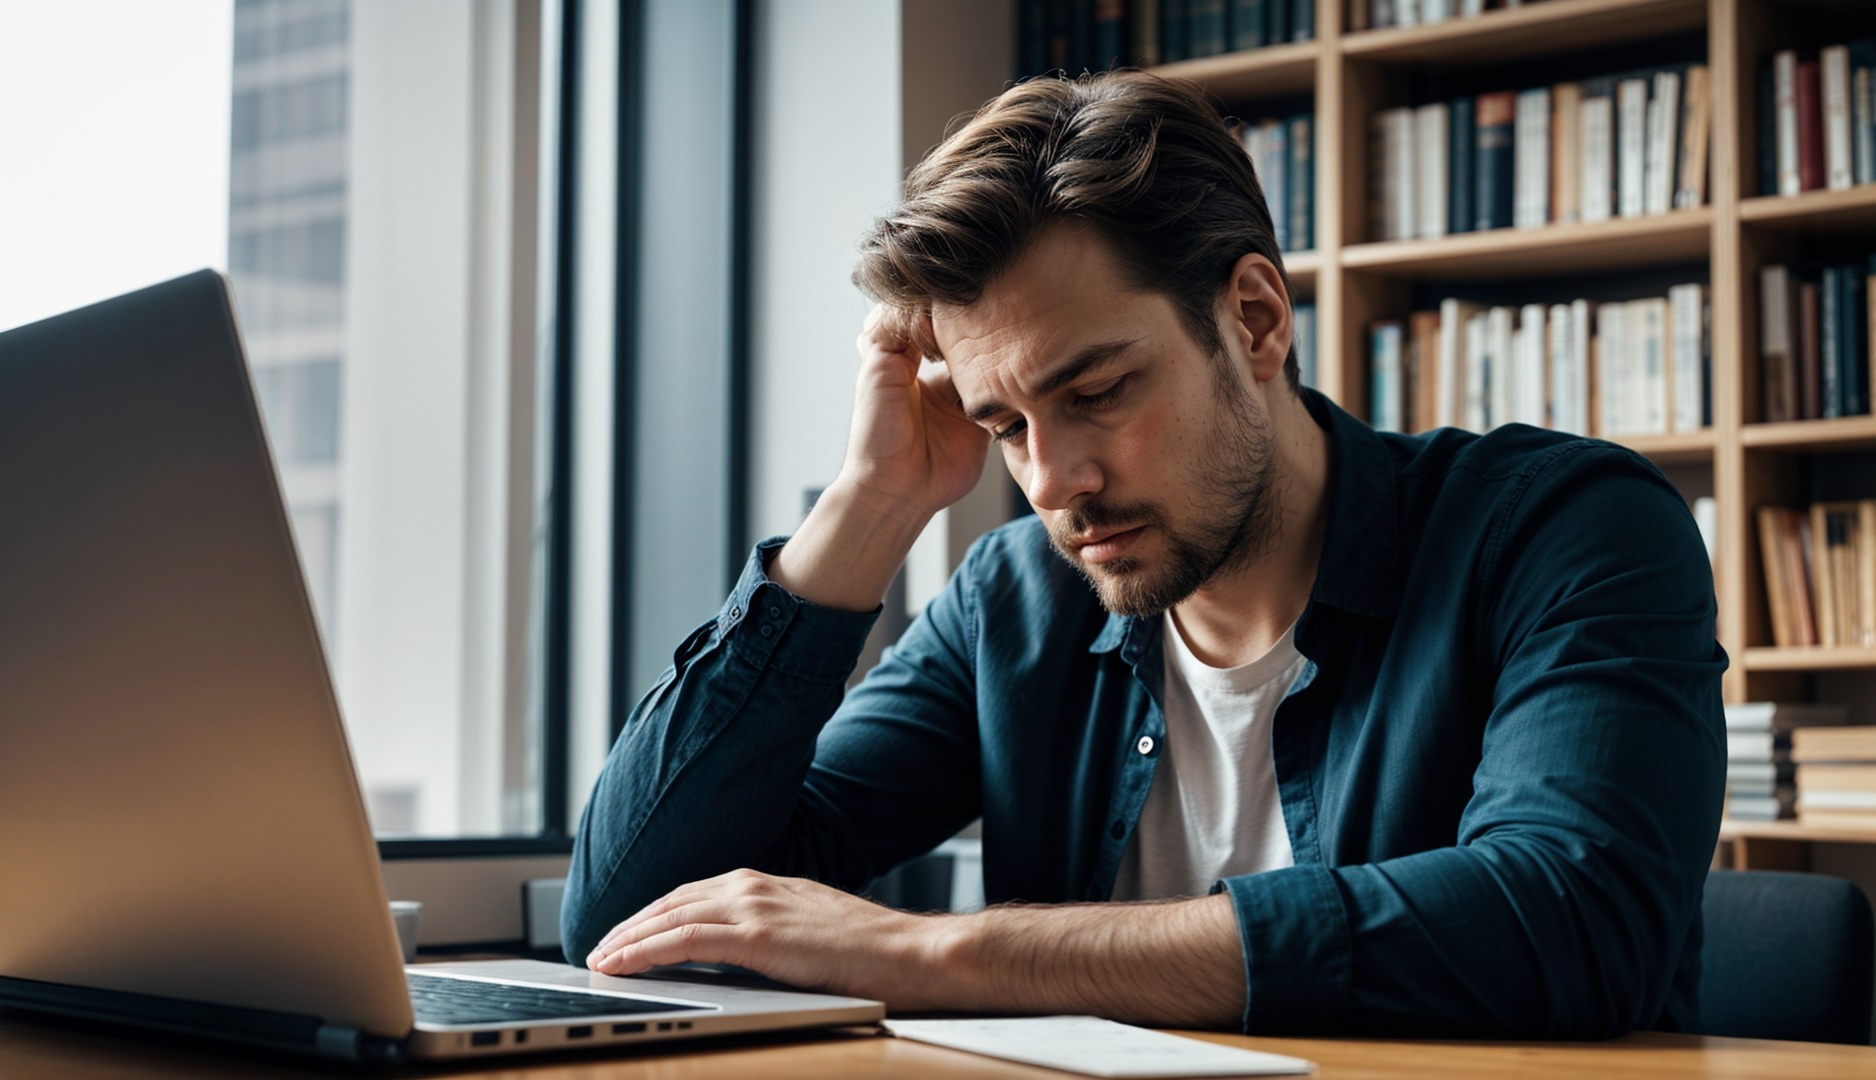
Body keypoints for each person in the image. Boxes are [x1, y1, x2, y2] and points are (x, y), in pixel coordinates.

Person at [561, 70, 1725, 1036]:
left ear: (1257, 320)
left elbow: (1573, 923)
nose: (1051, 480)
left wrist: (949, 954)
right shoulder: (1014, 604)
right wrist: (870, 505)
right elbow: (632, 914)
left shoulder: (1564, 529)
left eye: (1100, 390)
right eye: (1003, 425)